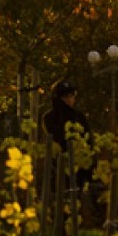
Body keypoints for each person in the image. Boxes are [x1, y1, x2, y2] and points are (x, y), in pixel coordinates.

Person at [42, 80, 97, 227]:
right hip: (59, 167)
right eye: (66, 97)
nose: (70, 100)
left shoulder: (79, 116)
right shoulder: (50, 117)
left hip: (79, 167)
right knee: (61, 201)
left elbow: (88, 139)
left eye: (71, 96)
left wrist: (90, 165)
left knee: (76, 201)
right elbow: (57, 137)